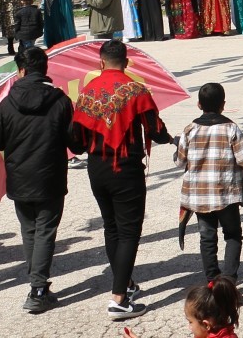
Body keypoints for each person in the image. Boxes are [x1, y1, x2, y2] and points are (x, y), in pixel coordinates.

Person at [67, 37, 167, 318]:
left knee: (111, 228)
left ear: (101, 62)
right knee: (129, 232)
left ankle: (125, 284)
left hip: (97, 168)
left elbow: (76, 140)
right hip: (126, 168)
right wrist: (169, 137)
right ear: (126, 62)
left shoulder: (86, 92)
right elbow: (155, 129)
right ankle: (118, 299)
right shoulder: (136, 90)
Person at [0, 43, 75, 314]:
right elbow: (73, 140)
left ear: (21, 70)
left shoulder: (6, 103)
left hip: (19, 176)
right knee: (46, 230)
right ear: (45, 69)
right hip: (50, 175)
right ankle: (38, 288)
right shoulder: (61, 100)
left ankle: (37, 282)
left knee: (29, 231)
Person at [175, 81, 243, 289]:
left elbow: (180, 161)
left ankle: (212, 280)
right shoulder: (230, 128)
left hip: (200, 195)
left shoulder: (190, 129)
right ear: (223, 104)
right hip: (226, 194)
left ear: (198, 105)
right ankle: (229, 279)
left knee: (207, 237)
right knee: (232, 235)